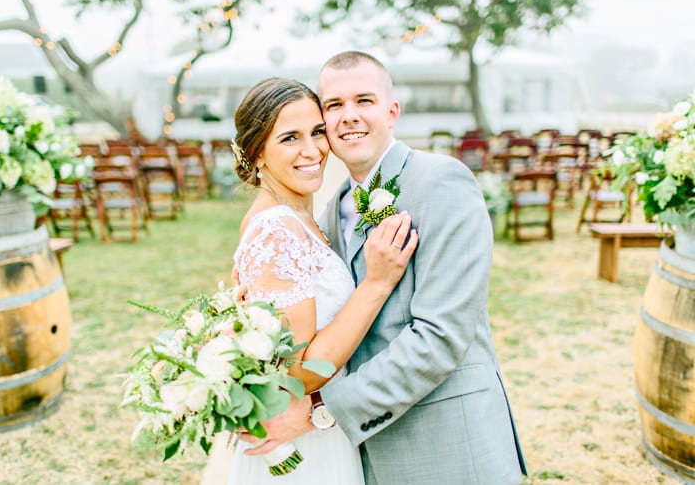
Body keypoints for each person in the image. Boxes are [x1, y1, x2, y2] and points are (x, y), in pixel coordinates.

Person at [242, 51, 528, 484]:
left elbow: (440, 337)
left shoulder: (442, 181)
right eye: (333, 106)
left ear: (392, 112)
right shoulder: (332, 207)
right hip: (367, 454)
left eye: (364, 101)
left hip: (447, 443)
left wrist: (323, 409)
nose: (348, 117)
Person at [226, 77, 418, 484]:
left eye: (317, 132)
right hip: (305, 446)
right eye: (290, 138)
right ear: (257, 152)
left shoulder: (300, 218)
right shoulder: (276, 230)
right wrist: (377, 284)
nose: (312, 150)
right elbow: (299, 371)